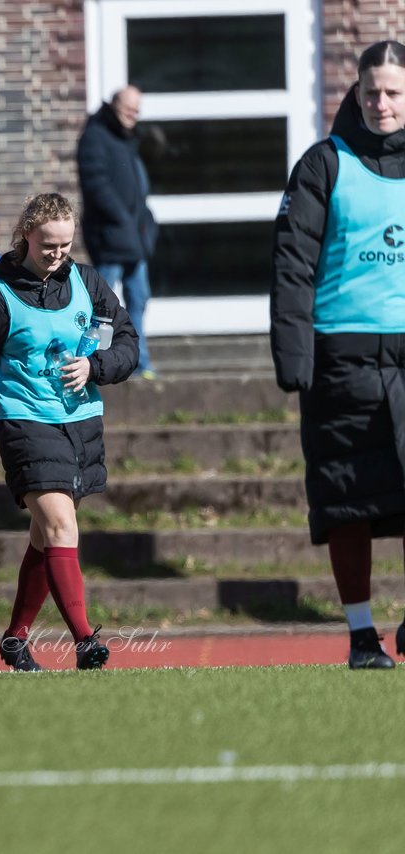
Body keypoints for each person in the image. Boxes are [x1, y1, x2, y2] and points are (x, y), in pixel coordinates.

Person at [0, 193, 137, 672]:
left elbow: (127, 343)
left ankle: (14, 639)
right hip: (24, 419)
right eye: (48, 245)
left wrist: (95, 366)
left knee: (44, 535)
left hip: (80, 421)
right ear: (26, 236)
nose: (57, 255)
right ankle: (86, 640)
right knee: (60, 526)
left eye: (65, 246)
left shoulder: (88, 281)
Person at [270, 40, 405, 670]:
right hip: (341, 362)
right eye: (371, 91)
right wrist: (293, 354)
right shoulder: (323, 165)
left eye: (394, 92)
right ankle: (360, 634)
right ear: (356, 92)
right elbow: (292, 265)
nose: (381, 103)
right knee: (347, 498)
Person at [77, 85, 158, 379]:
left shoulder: (126, 138)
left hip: (133, 239)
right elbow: (96, 184)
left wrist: (144, 223)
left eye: (138, 109)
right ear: (114, 105)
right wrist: (122, 220)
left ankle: (139, 361)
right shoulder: (96, 137)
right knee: (102, 307)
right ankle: (94, 362)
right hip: (110, 238)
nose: (134, 115)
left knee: (139, 298)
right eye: (129, 108)